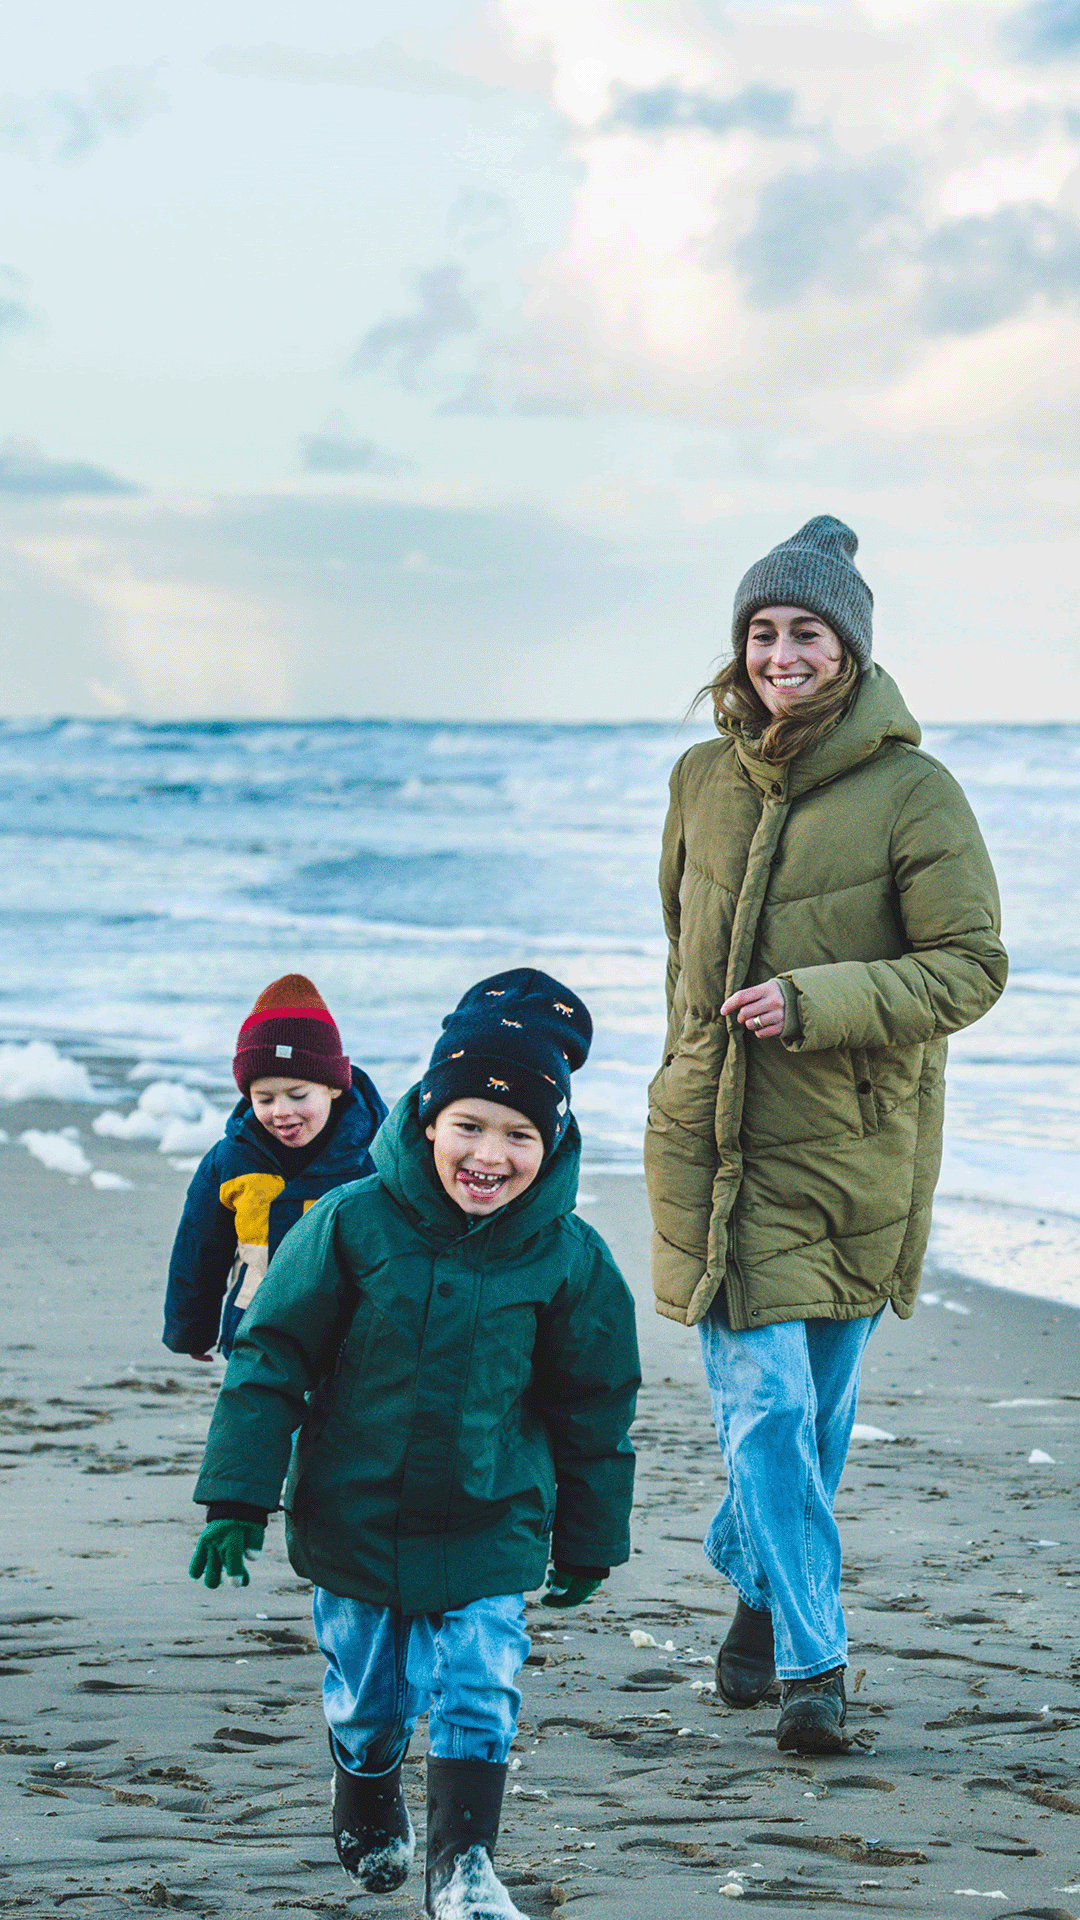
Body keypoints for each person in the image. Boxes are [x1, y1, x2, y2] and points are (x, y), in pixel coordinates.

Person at [644, 515, 1007, 1754]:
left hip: (856, 1149)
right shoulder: (698, 780)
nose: (779, 653)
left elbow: (970, 968)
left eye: (805, 631)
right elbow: (680, 965)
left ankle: (752, 1580)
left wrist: (814, 1002)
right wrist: (683, 1082)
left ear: (849, 649)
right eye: (761, 631)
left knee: (817, 1419)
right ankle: (815, 1662)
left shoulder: (916, 790)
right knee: (762, 1414)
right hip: (722, 1142)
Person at [186, 968, 639, 1920]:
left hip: (490, 1517)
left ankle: (464, 1868)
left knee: (482, 1685)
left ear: (551, 1143)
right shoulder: (352, 1225)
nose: (491, 1152)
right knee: (372, 1695)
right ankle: (365, 1784)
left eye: (521, 1134)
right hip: (354, 1515)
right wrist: (237, 1495)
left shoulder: (569, 1258)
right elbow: (271, 1358)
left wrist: (592, 1538)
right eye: (470, 1124)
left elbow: (594, 1407)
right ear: (428, 1119)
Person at [163, 974, 386, 1362]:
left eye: (298, 1095)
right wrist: (192, 1332)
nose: (281, 1112)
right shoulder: (230, 1161)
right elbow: (200, 1250)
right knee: (252, 1421)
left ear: (335, 1087)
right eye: (264, 1098)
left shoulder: (372, 1158)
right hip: (253, 1332)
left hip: (349, 1344)